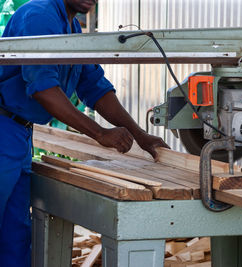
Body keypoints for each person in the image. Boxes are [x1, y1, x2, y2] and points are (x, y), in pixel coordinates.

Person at [0, 0, 169, 266]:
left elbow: (95, 87)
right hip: (3, 129)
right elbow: (44, 89)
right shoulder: (39, 17)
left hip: (19, 134)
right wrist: (99, 133)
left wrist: (141, 136)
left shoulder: (72, 28)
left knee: (15, 233)